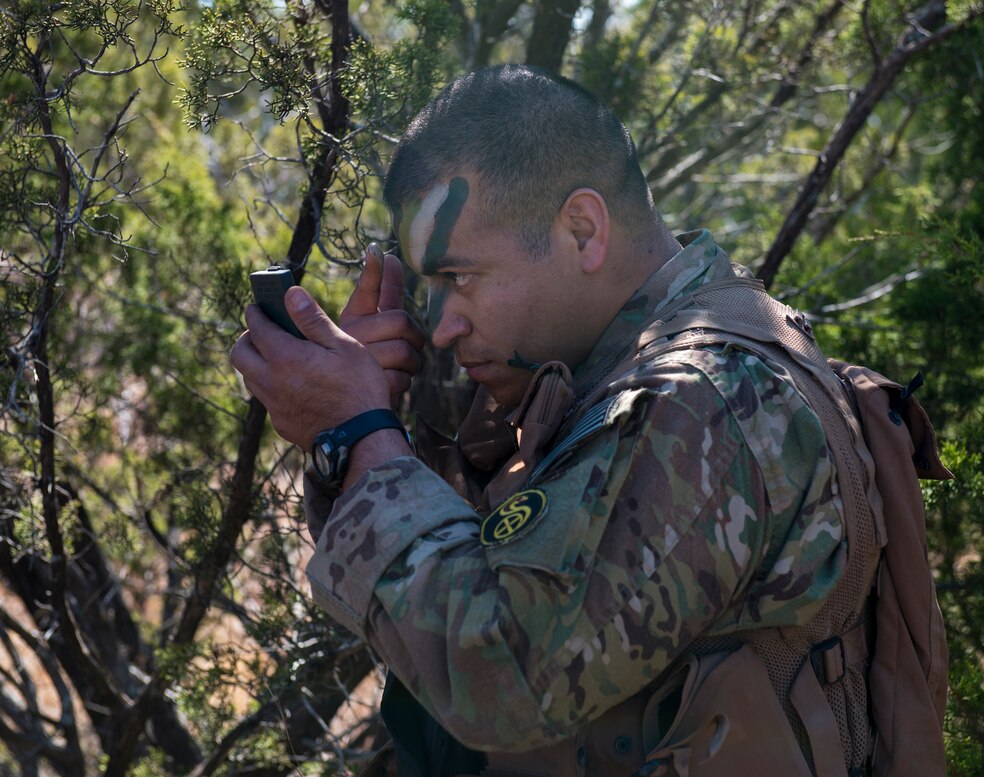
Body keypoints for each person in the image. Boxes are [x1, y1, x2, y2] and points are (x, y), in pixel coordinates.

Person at [232, 64, 881, 777]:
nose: (441, 327)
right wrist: (364, 438)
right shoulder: (610, 377)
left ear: (581, 230)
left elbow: (506, 678)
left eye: (459, 277)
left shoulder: (703, 397)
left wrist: (359, 435)